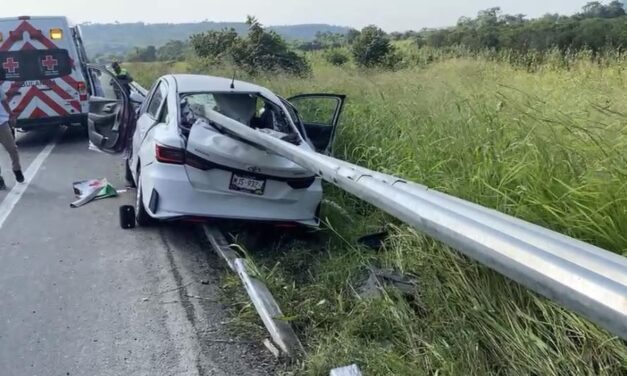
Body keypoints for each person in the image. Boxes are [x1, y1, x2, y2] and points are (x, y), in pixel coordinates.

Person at [0, 85, 24, 190]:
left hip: (1, 124)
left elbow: (4, 102)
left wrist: (11, 115)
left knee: (12, 149)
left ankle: (17, 169)